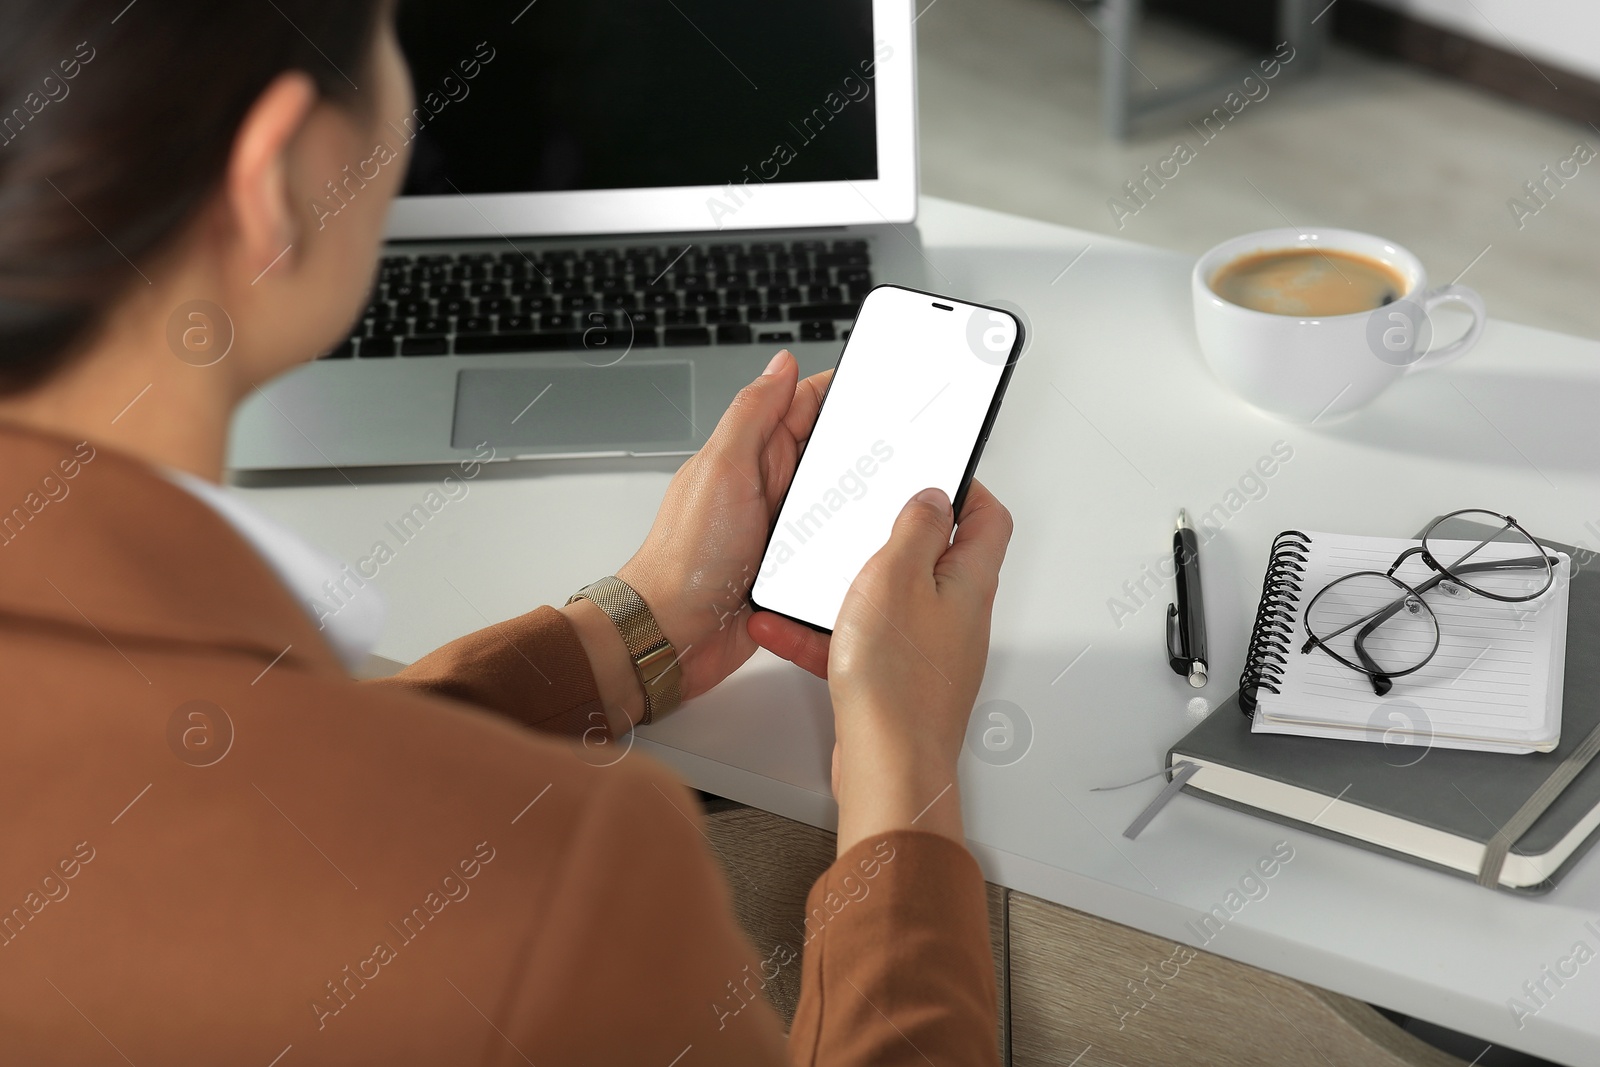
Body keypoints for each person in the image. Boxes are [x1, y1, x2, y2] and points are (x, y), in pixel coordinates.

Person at [0, 2, 1013, 1062]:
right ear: (282, 178)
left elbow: (204, 820)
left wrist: (628, 628)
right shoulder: (574, 882)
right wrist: (904, 768)